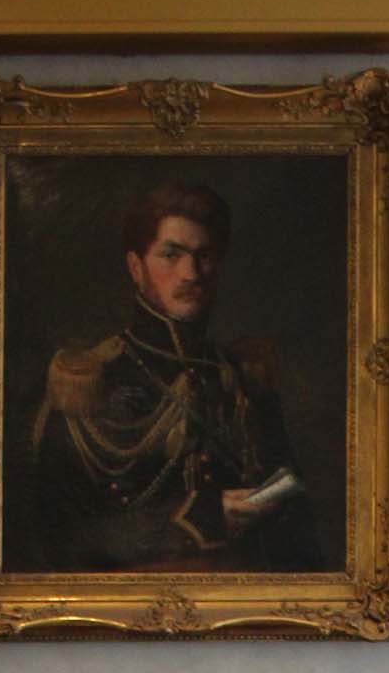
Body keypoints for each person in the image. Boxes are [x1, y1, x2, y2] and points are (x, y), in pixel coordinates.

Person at [31, 180, 321, 572]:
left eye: (205, 256)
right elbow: (64, 537)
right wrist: (199, 518)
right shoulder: (89, 384)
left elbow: (298, 531)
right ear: (136, 268)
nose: (191, 273)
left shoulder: (241, 380)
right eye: (171, 255)